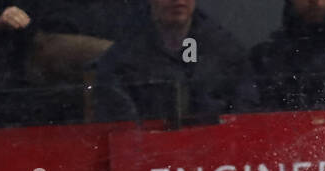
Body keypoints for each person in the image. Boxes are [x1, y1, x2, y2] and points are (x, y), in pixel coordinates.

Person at [92, 0, 258, 123]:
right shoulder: (122, 57)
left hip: (217, 155)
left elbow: (244, 116)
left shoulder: (225, 50)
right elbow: (120, 126)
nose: (178, 0)